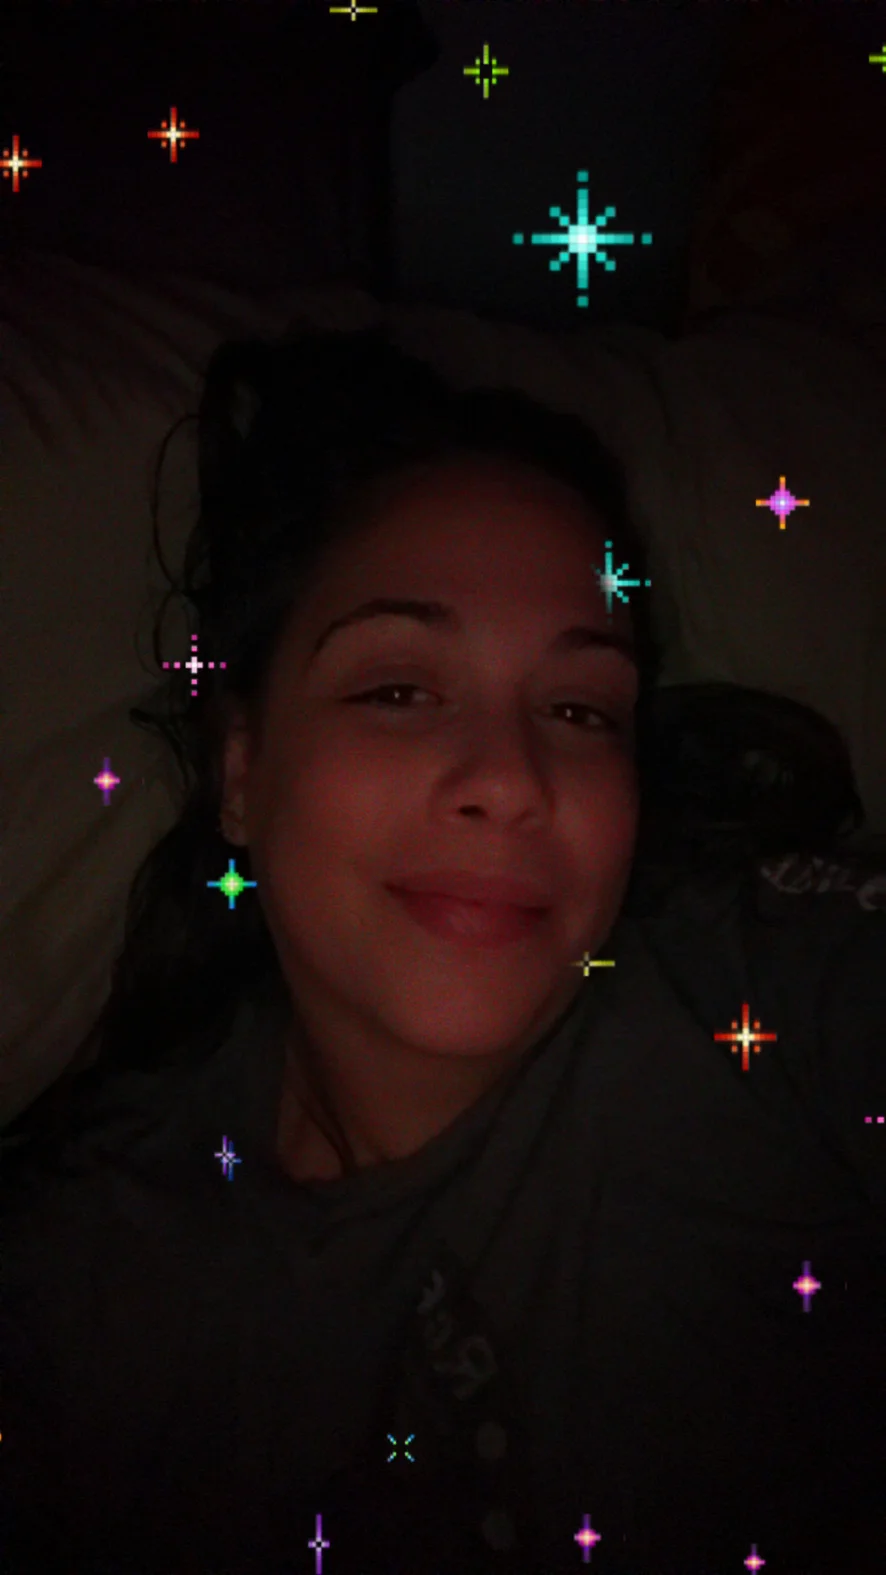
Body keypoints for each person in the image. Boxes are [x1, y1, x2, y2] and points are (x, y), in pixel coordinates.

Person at [2, 327, 884, 1575]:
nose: (510, 780)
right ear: (241, 770)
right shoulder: (82, 1279)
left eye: (577, 710)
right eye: (399, 691)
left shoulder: (767, 991)